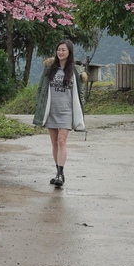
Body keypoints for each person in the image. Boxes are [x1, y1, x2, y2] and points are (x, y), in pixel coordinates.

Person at [32, 39, 86, 188]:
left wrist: (81, 110)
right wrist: (39, 104)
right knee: (54, 143)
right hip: (51, 111)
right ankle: (57, 172)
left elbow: (80, 94)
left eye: (63, 50)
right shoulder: (50, 68)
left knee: (62, 141)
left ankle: (61, 173)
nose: (60, 52)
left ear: (69, 52)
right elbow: (41, 89)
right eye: (59, 50)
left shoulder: (75, 71)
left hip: (66, 111)